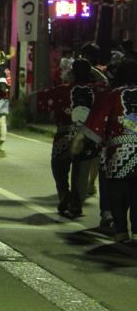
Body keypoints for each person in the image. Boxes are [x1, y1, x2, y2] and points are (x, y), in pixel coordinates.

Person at [74, 60, 137, 242]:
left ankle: (121, 231)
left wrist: (80, 139)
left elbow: (97, 121)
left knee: (117, 193)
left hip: (119, 151)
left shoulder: (112, 95)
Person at [37, 59, 105, 218]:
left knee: (59, 167)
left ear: (73, 73)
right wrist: (93, 69)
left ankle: (63, 193)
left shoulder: (62, 90)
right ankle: (76, 205)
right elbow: (106, 81)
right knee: (82, 172)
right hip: (88, 138)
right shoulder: (98, 90)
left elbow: (37, 100)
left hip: (64, 137)